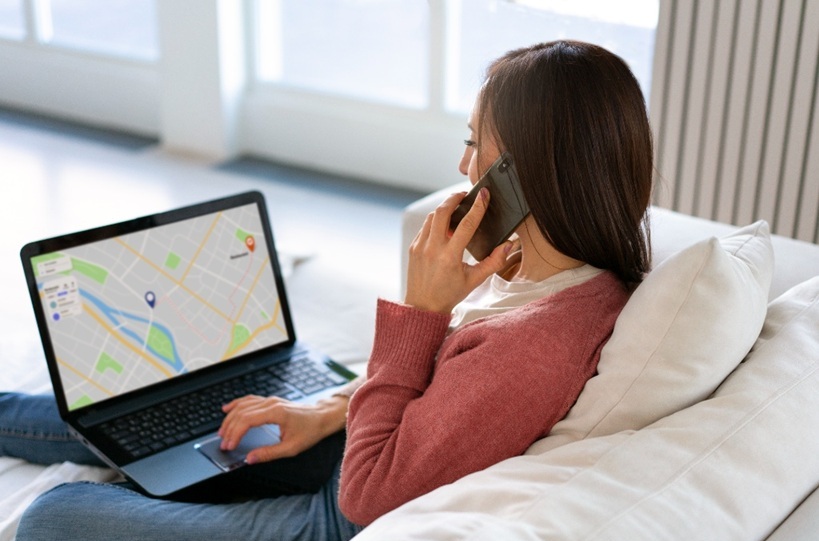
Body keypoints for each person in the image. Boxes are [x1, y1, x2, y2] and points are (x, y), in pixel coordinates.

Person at [5, 40, 653, 540]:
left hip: (338, 515)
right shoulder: (557, 277)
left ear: (523, 170)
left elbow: (366, 498)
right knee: (158, 410)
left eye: (473, 145)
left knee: (52, 516)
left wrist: (420, 310)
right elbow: (429, 399)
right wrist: (325, 409)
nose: (462, 167)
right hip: (357, 439)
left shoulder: (530, 351)